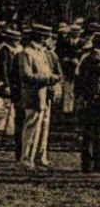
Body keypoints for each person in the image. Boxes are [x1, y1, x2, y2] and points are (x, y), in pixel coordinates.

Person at [16, 24, 61, 169]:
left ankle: (40, 157)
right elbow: (26, 75)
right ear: (42, 38)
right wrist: (48, 78)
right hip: (33, 96)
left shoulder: (43, 53)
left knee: (43, 128)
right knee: (31, 127)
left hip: (45, 95)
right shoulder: (27, 53)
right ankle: (26, 158)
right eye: (47, 37)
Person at [76, 34, 100, 174]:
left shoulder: (85, 58)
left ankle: (88, 163)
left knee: (89, 132)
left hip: (88, 99)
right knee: (91, 133)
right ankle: (92, 163)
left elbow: (78, 79)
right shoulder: (89, 59)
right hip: (92, 99)